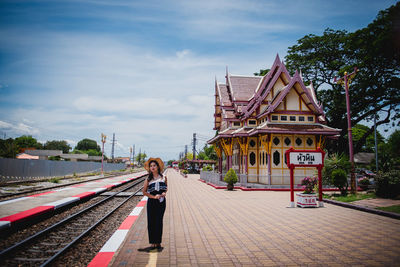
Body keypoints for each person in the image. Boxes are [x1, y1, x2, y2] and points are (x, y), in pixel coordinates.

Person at [139, 157, 167, 252]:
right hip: (152, 202)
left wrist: (164, 193)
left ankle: (158, 242)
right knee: (151, 222)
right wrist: (153, 197)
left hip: (161, 202)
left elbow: (165, 188)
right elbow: (144, 192)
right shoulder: (148, 179)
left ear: (158, 167)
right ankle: (152, 242)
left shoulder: (163, 177)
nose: (152, 167)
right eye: (151, 166)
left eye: (154, 165)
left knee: (159, 222)